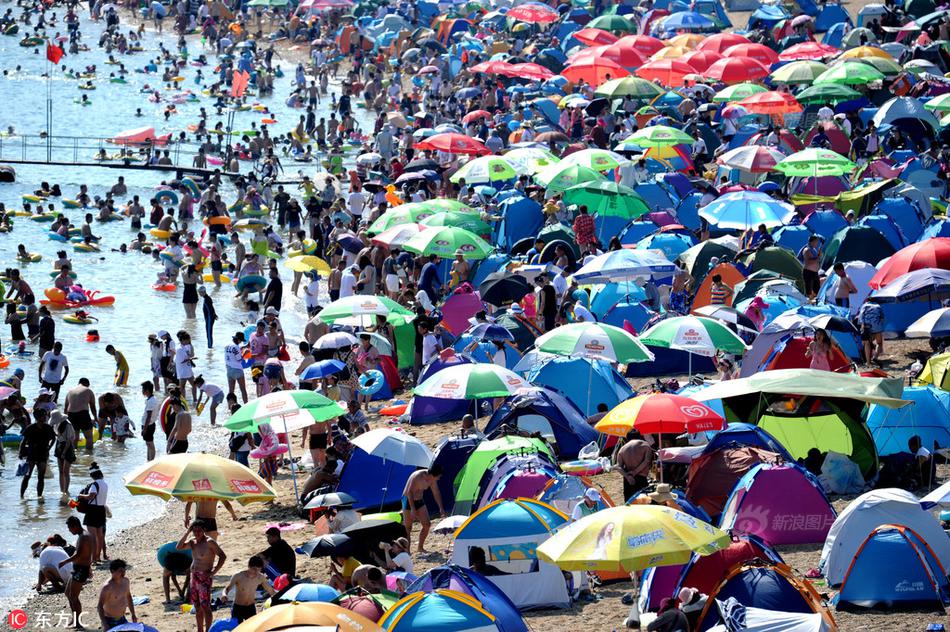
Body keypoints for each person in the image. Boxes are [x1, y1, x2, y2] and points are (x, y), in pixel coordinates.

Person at [177, 519, 227, 632]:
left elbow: (222, 556)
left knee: (205, 606)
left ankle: (208, 630)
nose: (197, 533)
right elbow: (179, 547)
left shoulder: (210, 542)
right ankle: (200, 630)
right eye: (194, 531)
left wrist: (213, 572)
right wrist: (187, 532)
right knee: (197, 606)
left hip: (204, 577)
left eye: (199, 530)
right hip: (193, 577)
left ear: (204, 530)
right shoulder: (192, 541)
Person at [401, 464, 446, 553]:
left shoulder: (432, 480)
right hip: (407, 500)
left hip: (419, 500)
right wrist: (413, 509)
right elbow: (410, 493)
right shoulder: (418, 476)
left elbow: (436, 493)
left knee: (427, 524)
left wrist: (441, 508)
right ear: (433, 475)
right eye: (438, 477)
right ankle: (407, 552)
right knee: (408, 528)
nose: (439, 478)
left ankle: (420, 547)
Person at [60, 515, 94, 631]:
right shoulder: (82, 535)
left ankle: (78, 623)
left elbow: (79, 554)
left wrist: (64, 561)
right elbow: (86, 553)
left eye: (70, 528)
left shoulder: (84, 537)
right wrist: (90, 566)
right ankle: (74, 619)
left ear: (74, 526)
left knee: (73, 596)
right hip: (78, 569)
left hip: (80, 570)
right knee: (67, 593)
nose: (69, 531)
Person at [223, 556, 275, 623]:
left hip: (251, 607)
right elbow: (227, 588)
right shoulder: (238, 576)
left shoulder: (260, 577)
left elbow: (270, 590)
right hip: (238, 607)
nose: (256, 572)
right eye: (254, 569)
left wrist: (279, 598)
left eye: (259, 570)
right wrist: (224, 595)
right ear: (249, 566)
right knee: (238, 628)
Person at [19, 410, 56, 499]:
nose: (45, 417)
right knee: (27, 476)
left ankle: (39, 496)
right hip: (31, 455)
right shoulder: (30, 428)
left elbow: (53, 439)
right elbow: (23, 441)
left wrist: (49, 448)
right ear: (38, 418)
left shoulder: (48, 428)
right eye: (43, 416)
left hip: (43, 455)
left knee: (41, 477)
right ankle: (22, 496)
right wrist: (20, 453)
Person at [79, 463, 108, 564]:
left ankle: (94, 558)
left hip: (93, 511)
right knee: (100, 536)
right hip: (101, 510)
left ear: (92, 476)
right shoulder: (105, 484)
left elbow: (91, 496)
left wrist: (81, 496)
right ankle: (98, 557)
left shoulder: (94, 485)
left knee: (93, 536)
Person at [97, 559, 137, 631]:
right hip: (110, 621)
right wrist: (104, 624)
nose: (123, 573)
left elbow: (128, 597)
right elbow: (100, 606)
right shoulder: (107, 587)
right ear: (112, 571)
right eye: (120, 571)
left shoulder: (126, 581)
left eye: (124, 571)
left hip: (122, 618)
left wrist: (133, 614)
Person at [615, 430, 654, 502]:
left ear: (627, 438)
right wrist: (635, 472)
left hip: (628, 480)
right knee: (643, 503)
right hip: (641, 478)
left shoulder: (622, 449)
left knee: (629, 504)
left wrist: (628, 477)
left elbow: (618, 467)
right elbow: (647, 461)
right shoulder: (645, 445)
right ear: (640, 436)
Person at [64, 377, 97, 452]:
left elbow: (66, 407)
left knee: (75, 437)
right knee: (89, 437)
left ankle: (73, 454)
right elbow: (92, 406)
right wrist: (95, 418)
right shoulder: (88, 390)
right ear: (87, 384)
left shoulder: (70, 391)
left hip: (71, 414)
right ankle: (89, 456)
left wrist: (65, 419)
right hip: (83, 413)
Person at [53, 410, 77, 502]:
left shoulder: (68, 425)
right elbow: (57, 436)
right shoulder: (57, 424)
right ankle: (61, 490)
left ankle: (66, 490)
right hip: (59, 445)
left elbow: (69, 440)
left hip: (67, 447)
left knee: (65, 471)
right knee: (60, 471)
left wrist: (64, 452)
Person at [857, 300, 885, 365]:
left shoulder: (864, 305)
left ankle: (868, 362)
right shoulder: (878, 306)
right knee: (879, 343)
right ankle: (875, 357)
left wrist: (862, 326)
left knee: (867, 344)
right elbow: (882, 318)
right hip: (877, 326)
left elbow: (861, 317)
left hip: (867, 326)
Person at [140, 381, 157, 461]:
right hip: (149, 424)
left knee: (150, 444)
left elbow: (149, 416)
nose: (142, 391)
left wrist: (145, 429)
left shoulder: (151, 401)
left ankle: (151, 461)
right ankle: (149, 460)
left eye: (143, 389)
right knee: (148, 443)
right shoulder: (151, 399)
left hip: (149, 425)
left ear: (147, 390)